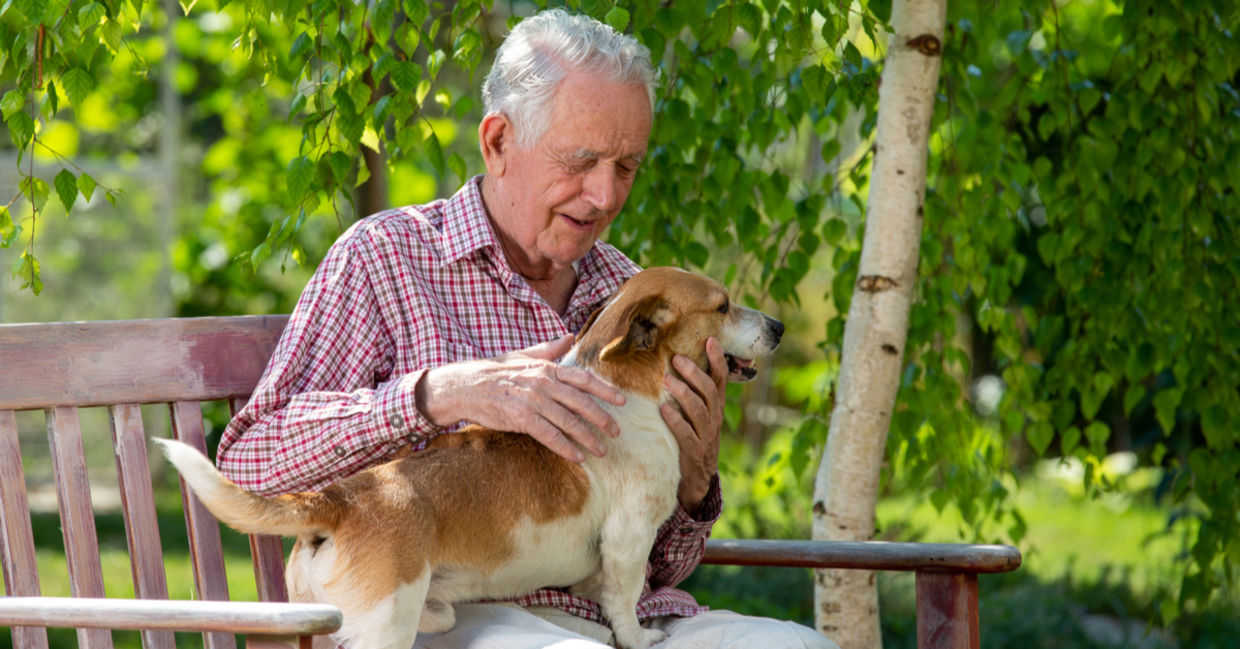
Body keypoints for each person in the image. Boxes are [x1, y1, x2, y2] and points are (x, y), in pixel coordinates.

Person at [217, 8, 835, 649]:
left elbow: (660, 568)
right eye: (581, 159)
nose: (604, 195)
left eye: (626, 166)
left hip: (619, 621)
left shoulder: (640, 303)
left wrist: (695, 478)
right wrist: (435, 396)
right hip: (444, 605)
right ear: (498, 142)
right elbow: (249, 463)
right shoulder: (385, 258)